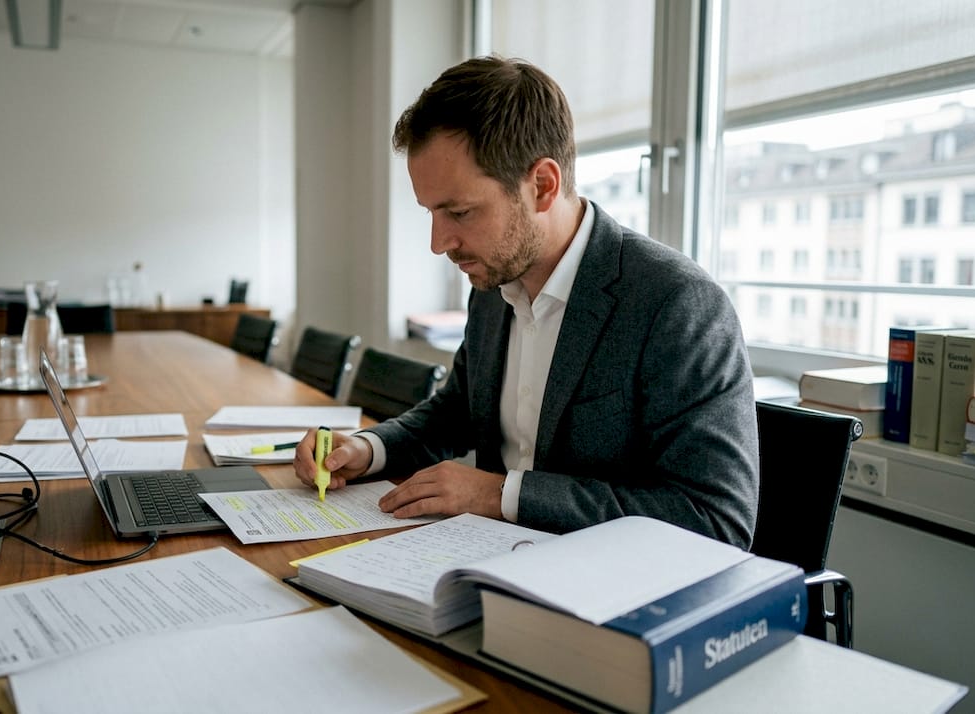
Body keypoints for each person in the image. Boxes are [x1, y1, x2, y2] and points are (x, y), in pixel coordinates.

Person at [294, 56, 759, 547]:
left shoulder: (676, 304)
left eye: (460, 211)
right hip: (485, 566)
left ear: (542, 185)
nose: (438, 242)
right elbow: (456, 413)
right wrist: (367, 449)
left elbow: (714, 520)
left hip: (604, 598)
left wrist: (501, 495)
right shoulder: (493, 286)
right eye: (431, 212)